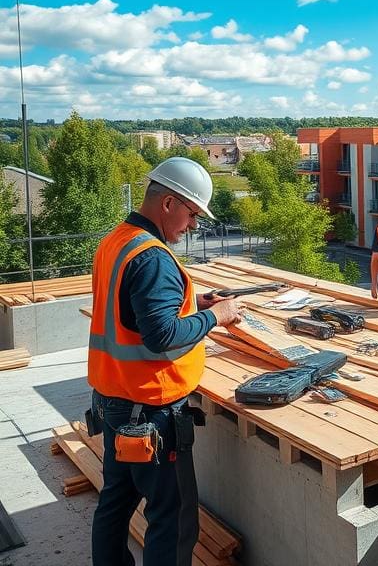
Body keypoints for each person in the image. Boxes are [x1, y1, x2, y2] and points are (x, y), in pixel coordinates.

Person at [87, 157, 243, 566]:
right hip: (150, 415)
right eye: (192, 213)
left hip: (113, 402)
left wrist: (193, 303)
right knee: (172, 522)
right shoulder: (153, 257)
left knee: (114, 507)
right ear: (169, 203)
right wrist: (215, 316)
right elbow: (161, 337)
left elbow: (133, 315)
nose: (192, 225)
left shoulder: (117, 240)